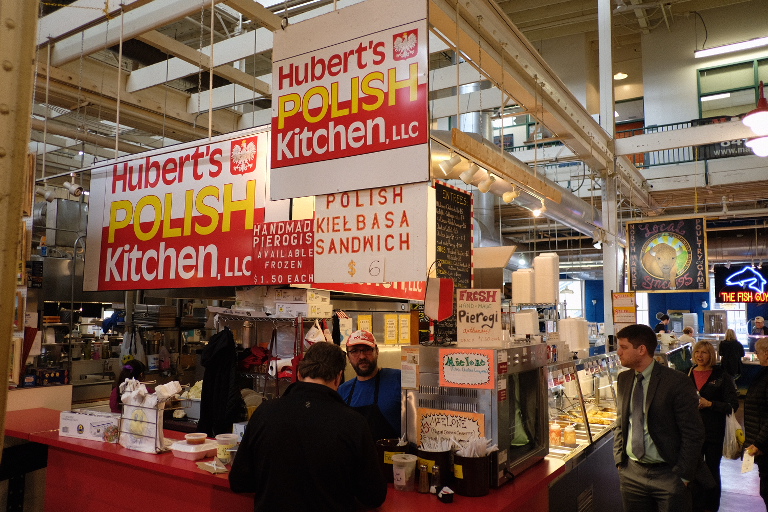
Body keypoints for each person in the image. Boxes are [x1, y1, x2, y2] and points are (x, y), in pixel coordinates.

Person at [229, 342, 387, 512]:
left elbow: (239, 481)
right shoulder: (354, 423)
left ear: (299, 373)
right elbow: (373, 496)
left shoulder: (264, 413)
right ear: (338, 378)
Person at [614, 324, 706, 512]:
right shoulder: (624, 379)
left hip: (669, 475)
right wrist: (619, 461)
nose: (618, 352)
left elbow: (693, 432)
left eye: (623, 347)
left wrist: (683, 475)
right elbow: (621, 423)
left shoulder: (676, 382)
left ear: (641, 350)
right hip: (631, 473)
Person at [689, 340, 739, 512]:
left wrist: (711, 404)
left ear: (711, 355)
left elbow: (733, 405)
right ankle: (695, 504)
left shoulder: (721, 376)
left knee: (711, 469)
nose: (699, 355)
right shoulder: (687, 374)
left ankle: (711, 506)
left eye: (704, 352)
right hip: (691, 432)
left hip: (713, 432)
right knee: (693, 469)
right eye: (697, 352)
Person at [338, 330, 402, 441]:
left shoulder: (398, 379)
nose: (362, 356)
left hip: (393, 451)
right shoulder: (343, 390)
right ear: (348, 357)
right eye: (354, 351)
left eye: (367, 350)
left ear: (377, 351)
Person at [744, 337, 768, 509]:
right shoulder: (763, 374)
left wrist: (759, 442)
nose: (756, 355)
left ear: (766, 353)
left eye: (758, 352)